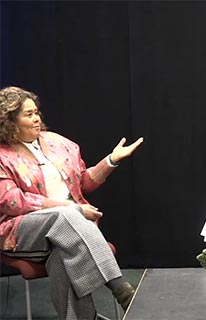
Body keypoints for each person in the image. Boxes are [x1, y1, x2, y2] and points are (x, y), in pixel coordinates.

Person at [0, 86, 144, 319]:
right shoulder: (2, 155)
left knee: (63, 254)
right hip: (20, 231)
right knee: (65, 217)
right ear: (9, 120)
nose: (37, 119)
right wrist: (72, 208)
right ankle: (122, 289)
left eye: (36, 112)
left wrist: (111, 160)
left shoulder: (57, 143)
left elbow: (83, 183)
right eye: (28, 115)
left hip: (69, 230)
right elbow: (11, 201)